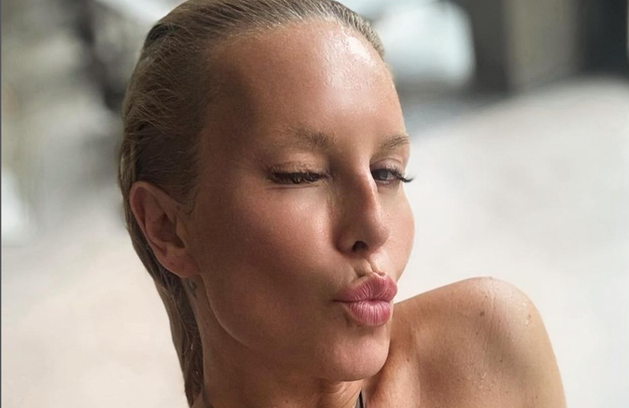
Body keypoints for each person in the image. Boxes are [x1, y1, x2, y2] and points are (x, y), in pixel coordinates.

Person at [118, 0, 566, 406]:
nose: (375, 226)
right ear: (167, 228)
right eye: (302, 174)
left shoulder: (488, 350)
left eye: (387, 173)